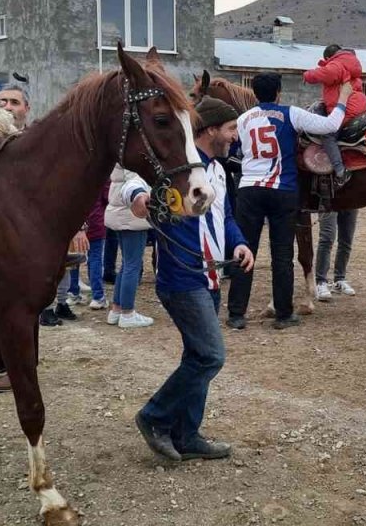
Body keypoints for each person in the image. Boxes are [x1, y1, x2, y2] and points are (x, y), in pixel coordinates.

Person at [128, 97, 254, 462]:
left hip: (210, 278)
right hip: (183, 279)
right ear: (211, 128)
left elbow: (226, 216)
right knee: (211, 355)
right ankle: (154, 417)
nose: (234, 137)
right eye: (231, 129)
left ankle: (187, 434)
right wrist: (138, 196)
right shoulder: (173, 165)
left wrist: (240, 242)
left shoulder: (216, 172)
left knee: (197, 354)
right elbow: (131, 184)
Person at [227, 74, 348, 331]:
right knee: (282, 254)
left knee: (244, 250)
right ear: (279, 92)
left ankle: (236, 314)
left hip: (249, 189)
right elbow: (330, 125)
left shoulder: (242, 120)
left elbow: (234, 150)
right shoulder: (292, 113)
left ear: (254, 93)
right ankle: (283, 314)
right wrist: (343, 100)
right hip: (283, 190)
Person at [302, 45, 366, 187]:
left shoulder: (336, 65)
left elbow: (322, 74)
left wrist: (306, 75)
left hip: (346, 108)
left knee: (328, 134)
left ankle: (340, 170)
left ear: (328, 58)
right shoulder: (351, 65)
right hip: (357, 105)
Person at [105, 165, 157, 329]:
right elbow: (135, 182)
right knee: (132, 265)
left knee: (127, 264)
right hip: (131, 214)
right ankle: (127, 312)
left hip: (120, 212)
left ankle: (117, 309)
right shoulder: (132, 160)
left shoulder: (119, 159)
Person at [314, 210, 358, 301]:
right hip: (330, 200)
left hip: (351, 200)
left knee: (346, 240)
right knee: (327, 238)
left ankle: (339, 279)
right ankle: (321, 282)